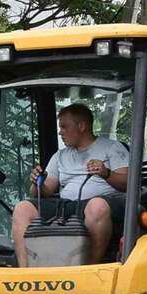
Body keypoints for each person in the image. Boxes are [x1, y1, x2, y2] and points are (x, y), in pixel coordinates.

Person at [11, 102, 131, 266]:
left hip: (104, 204)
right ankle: (25, 273)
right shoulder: (59, 156)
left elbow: (128, 183)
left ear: (81, 126)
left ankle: (87, 270)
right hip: (65, 206)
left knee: (97, 207)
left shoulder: (112, 148)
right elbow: (45, 192)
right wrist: (37, 182)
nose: (60, 132)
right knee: (22, 208)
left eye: (64, 127)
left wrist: (106, 173)